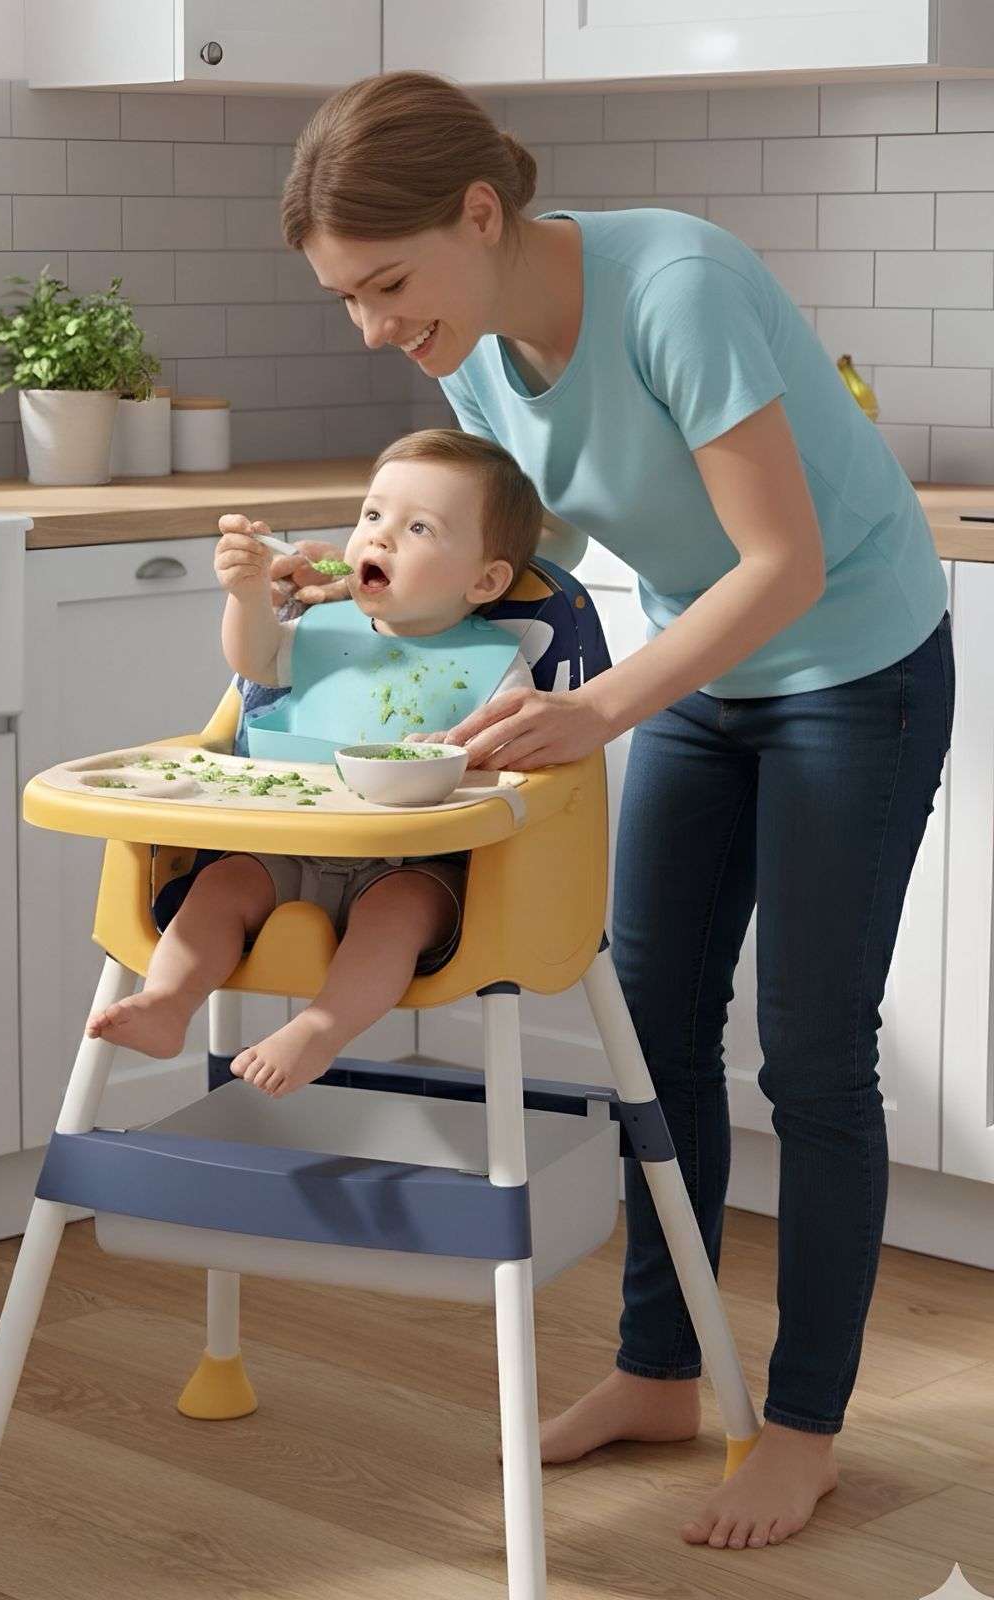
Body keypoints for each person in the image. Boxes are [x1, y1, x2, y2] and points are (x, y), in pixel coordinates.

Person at [265, 69, 955, 1553]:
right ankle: (659, 1370)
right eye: (347, 299)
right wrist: (373, 576)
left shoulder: (677, 285)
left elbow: (783, 562)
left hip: (851, 663)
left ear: (481, 210)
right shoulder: (479, 347)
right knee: (655, 1022)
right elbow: (533, 537)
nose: (377, 327)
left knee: (819, 1053)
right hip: (697, 666)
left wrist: (602, 707)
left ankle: (804, 1425)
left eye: (388, 284)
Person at [87, 427, 542, 1097]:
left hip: (412, 865)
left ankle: (320, 1031)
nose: (380, 538)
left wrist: (459, 750)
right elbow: (254, 659)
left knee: (399, 913)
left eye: (418, 528)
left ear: (486, 579)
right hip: (284, 847)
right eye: (373, 515)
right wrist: (247, 599)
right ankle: (168, 1002)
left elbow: (517, 750)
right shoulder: (320, 628)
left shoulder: (495, 663)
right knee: (219, 888)